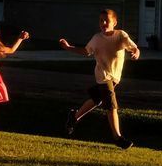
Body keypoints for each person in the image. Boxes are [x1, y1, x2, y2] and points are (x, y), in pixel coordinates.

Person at [59, 8, 140, 149]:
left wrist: (136, 53)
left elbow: (133, 48)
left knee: (97, 100)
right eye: (100, 20)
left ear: (114, 22)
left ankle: (74, 117)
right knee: (111, 105)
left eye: (106, 20)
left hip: (114, 77)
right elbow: (86, 51)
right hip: (103, 76)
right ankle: (118, 138)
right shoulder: (97, 38)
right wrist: (68, 47)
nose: (103, 23)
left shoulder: (120, 35)